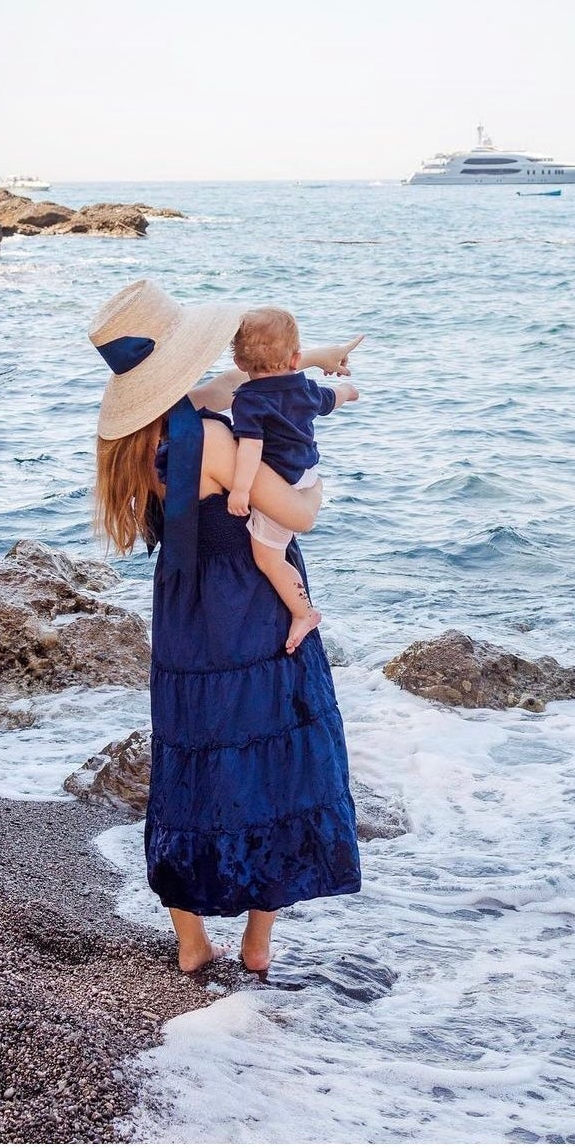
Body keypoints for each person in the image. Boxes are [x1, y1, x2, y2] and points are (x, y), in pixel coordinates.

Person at [91, 278, 362, 975]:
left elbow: (234, 380)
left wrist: (314, 357)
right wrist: (318, 485)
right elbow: (296, 517)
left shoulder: (136, 442)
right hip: (249, 610)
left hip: (185, 614)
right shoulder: (213, 436)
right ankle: (258, 942)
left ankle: (190, 941)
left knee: (190, 762)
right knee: (274, 759)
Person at [227, 308, 360, 654]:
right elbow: (333, 399)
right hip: (307, 471)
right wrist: (348, 390)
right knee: (277, 548)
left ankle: (303, 612)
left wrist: (241, 490)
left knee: (268, 558)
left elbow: (251, 449)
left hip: (283, 484)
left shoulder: (248, 400)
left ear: (240, 364)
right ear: (297, 358)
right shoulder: (305, 387)